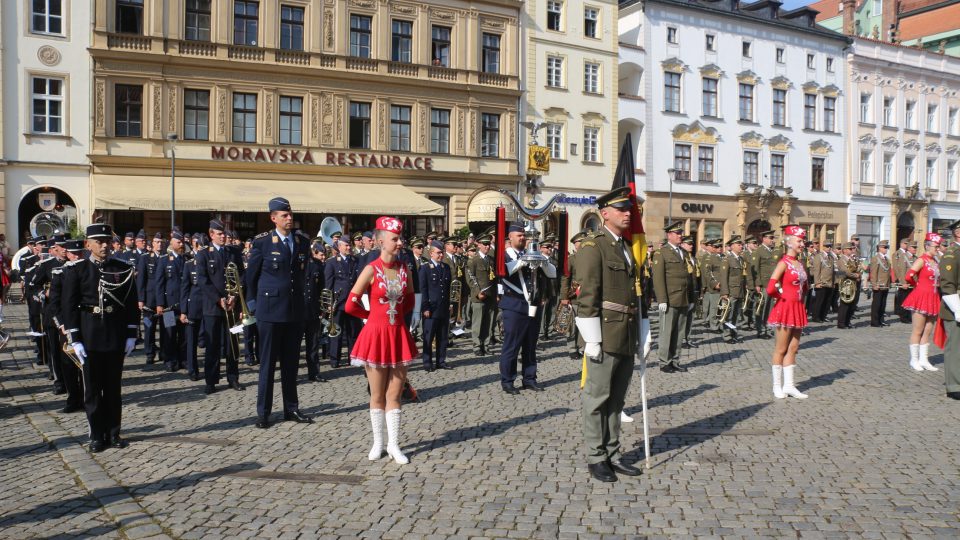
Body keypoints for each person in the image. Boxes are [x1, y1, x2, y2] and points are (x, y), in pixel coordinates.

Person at [574, 187, 642, 483]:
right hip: (603, 331)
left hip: (625, 332)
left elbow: (636, 291)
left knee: (617, 400)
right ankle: (596, 456)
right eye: (622, 209)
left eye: (630, 209)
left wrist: (644, 328)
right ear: (605, 214)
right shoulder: (593, 246)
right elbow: (587, 294)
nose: (629, 213)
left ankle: (613, 453)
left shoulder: (624, 247)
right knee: (597, 398)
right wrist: (591, 337)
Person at [344, 216, 419, 465]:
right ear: (380, 241)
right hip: (376, 335)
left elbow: (409, 300)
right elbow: (350, 304)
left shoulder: (404, 268)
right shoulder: (370, 269)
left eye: (400, 239)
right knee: (377, 394)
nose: (400, 243)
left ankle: (394, 445)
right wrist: (371, 318)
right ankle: (378, 442)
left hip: (398, 334)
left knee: (395, 394)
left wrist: (399, 318)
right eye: (395, 239)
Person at [61, 223, 139, 452]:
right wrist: (74, 337)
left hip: (115, 333)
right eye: (99, 242)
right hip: (89, 335)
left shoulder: (122, 268)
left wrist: (132, 333)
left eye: (107, 241)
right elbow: (69, 306)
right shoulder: (77, 270)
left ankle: (114, 433)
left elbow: (131, 303)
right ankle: (96, 435)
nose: (104, 246)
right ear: (88, 244)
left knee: (113, 388)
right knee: (93, 390)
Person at [247, 198, 313, 428]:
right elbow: (251, 277)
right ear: (273, 218)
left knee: (291, 363)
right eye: (284, 215)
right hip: (270, 311)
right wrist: (252, 304)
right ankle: (263, 413)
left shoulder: (302, 242)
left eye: (290, 214)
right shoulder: (263, 243)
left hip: (294, 311)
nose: (289, 218)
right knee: (267, 364)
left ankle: (291, 408)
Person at [498, 222, 555, 393]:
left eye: (524, 235)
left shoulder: (532, 253)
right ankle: (508, 381)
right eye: (519, 235)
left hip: (533, 304)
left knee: (530, 345)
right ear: (510, 237)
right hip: (514, 305)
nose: (523, 238)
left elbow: (551, 273)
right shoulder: (505, 256)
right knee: (512, 346)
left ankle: (529, 378)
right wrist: (525, 260)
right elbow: (505, 271)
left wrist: (540, 259)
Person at [195, 220, 245, 395]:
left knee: (233, 344)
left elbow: (242, 276)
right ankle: (211, 380)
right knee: (213, 345)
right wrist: (218, 299)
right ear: (211, 234)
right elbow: (203, 280)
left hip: (233, 306)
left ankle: (233, 377)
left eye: (224, 233)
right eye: (220, 233)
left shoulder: (234, 252)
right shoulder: (203, 255)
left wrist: (235, 296)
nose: (224, 236)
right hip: (213, 308)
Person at [765, 225, 809, 400]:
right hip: (785, 308)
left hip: (797, 308)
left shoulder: (800, 263)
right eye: (799, 241)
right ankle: (777, 386)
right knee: (781, 348)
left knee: (794, 347)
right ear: (789, 242)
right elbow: (770, 288)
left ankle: (789, 385)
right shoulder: (783, 263)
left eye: (802, 241)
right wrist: (782, 296)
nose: (802, 244)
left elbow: (804, 286)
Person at [652, 222, 692, 373]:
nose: (680, 235)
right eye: (677, 233)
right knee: (667, 331)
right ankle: (664, 362)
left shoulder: (684, 252)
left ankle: (675, 359)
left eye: (681, 233)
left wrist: (691, 299)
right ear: (669, 235)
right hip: (669, 298)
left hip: (683, 297)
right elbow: (658, 278)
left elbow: (688, 277)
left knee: (679, 332)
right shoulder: (661, 253)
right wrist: (662, 299)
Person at [52, 239, 85, 412]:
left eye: (81, 253)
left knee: (85, 364)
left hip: (85, 324)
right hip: (67, 325)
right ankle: (73, 399)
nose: (78, 257)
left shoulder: (89, 271)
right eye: (75, 254)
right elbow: (54, 304)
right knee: (69, 364)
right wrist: (61, 325)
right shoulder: (60, 273)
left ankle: (88, 398)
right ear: (69, 255)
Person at [903, 233, 942, 372]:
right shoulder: (922, 260)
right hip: (921, 296)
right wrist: (917, 284)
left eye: (938, 247)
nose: (937, 249)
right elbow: (909, 275)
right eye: (935, 247)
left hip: (933, 297)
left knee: (928, 330)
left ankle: (924, 359)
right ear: (927, 246)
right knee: (918, 329)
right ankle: (914, 359)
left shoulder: (936, 261)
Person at [154, 232, 187, 373]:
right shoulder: (164, 260)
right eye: (178, 242)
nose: (181, 245)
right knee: (170, 333)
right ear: (172, 244)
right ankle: (170, 359)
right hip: (169, 305)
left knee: (184, 334)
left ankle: (183, 359)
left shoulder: (187, 259)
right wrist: (160, 303)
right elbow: (159, 284)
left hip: (184, 303)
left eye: (182, 242)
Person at [325, 236, 360, 368]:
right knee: (336, 332)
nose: (349, 247)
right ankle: (335, 359)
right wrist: (328, 303)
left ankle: (353, 357)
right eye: (346, 245)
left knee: (353, 332)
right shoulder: (332, 262)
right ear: (339, 247)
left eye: (349, 245)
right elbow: (328, 285)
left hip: (352, 302)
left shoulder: (355, 261)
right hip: (338, 303)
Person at [420, 241, 452, 371]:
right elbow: (423, 289)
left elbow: (448, 288)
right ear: (431, 253)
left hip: (443, 307)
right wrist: (425, 307)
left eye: (442, 252)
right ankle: (427, 362)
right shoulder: (425, 268)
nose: (441, 255)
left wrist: (450, 304)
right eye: (438, 253)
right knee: (429, 336)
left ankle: (441, 361)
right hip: (431, 308)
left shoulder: (446, 267)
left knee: (443, 336)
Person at [937, 220, 960, 400]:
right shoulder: (952, 253)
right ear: (958, 233)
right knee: (955, 347)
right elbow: (947, 284)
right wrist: (957, 309)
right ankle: (954, 386)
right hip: (955, 307)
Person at [466, 234, 497, 356]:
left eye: (488, 244)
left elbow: (494, 278)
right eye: (485, 244)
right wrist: (478, 292)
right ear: (479, 245)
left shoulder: (491, 260)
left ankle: (486, 344)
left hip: (491, 295)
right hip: (479, 296)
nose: (487, 246)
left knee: (488, 323)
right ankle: (477, 346)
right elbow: (471, 278)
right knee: (478, 323)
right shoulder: (474, 260)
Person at [303, 238, 329, 383]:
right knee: (293, 345)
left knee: (313, 344)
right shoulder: (295, 262)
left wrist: (323, 308)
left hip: (313, 309)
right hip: (298, 310)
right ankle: (292, 373)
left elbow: (322, 289)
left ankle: (314, 372)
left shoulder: (317, 265)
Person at [719, 236, 747, 344]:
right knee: (728, 315)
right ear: (732, 246)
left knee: (735, 315)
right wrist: (724, 292)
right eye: (739, 245)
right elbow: (723, 277)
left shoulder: (740, 259)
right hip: (730, 292)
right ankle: (727, 335)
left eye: (741, 245)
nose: (741, 247)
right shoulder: (727, 259)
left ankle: (733, 333)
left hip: (739, 291)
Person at [752, 230, 777, 339]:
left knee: (770, 308)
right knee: (761, 308)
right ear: (764, 238)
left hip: (771, 284)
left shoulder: (771, 251)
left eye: (773, 238)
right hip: (763, 284)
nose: (772, 240)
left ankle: (767, 328)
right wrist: (757, 284)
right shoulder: (759, 251)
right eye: (770, 238)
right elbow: (755, 269)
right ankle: (760, 330)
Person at [868, 240, 892, 327]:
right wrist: (874, 284)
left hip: (885, 285)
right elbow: (873, 272)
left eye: (887, 247)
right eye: (885, 247)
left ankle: (881, 320)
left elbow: (887, 272)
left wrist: (889, 283)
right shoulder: (875, 258)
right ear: (880, 248)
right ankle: (874, 321)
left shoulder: (886, 259)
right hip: (878, 285)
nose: (886, 249)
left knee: (883, 304)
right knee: (877, 304)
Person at [893, 239, 915, 323]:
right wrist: (899, 280)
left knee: (908, 300)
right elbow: (898, 268)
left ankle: (907, 315)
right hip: (902, 280)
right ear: (901, 243)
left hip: (911, 282)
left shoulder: (913, 256)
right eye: (905, 243)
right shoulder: (899, 254)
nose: (906, 245)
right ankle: (902, 314)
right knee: (901, 298)